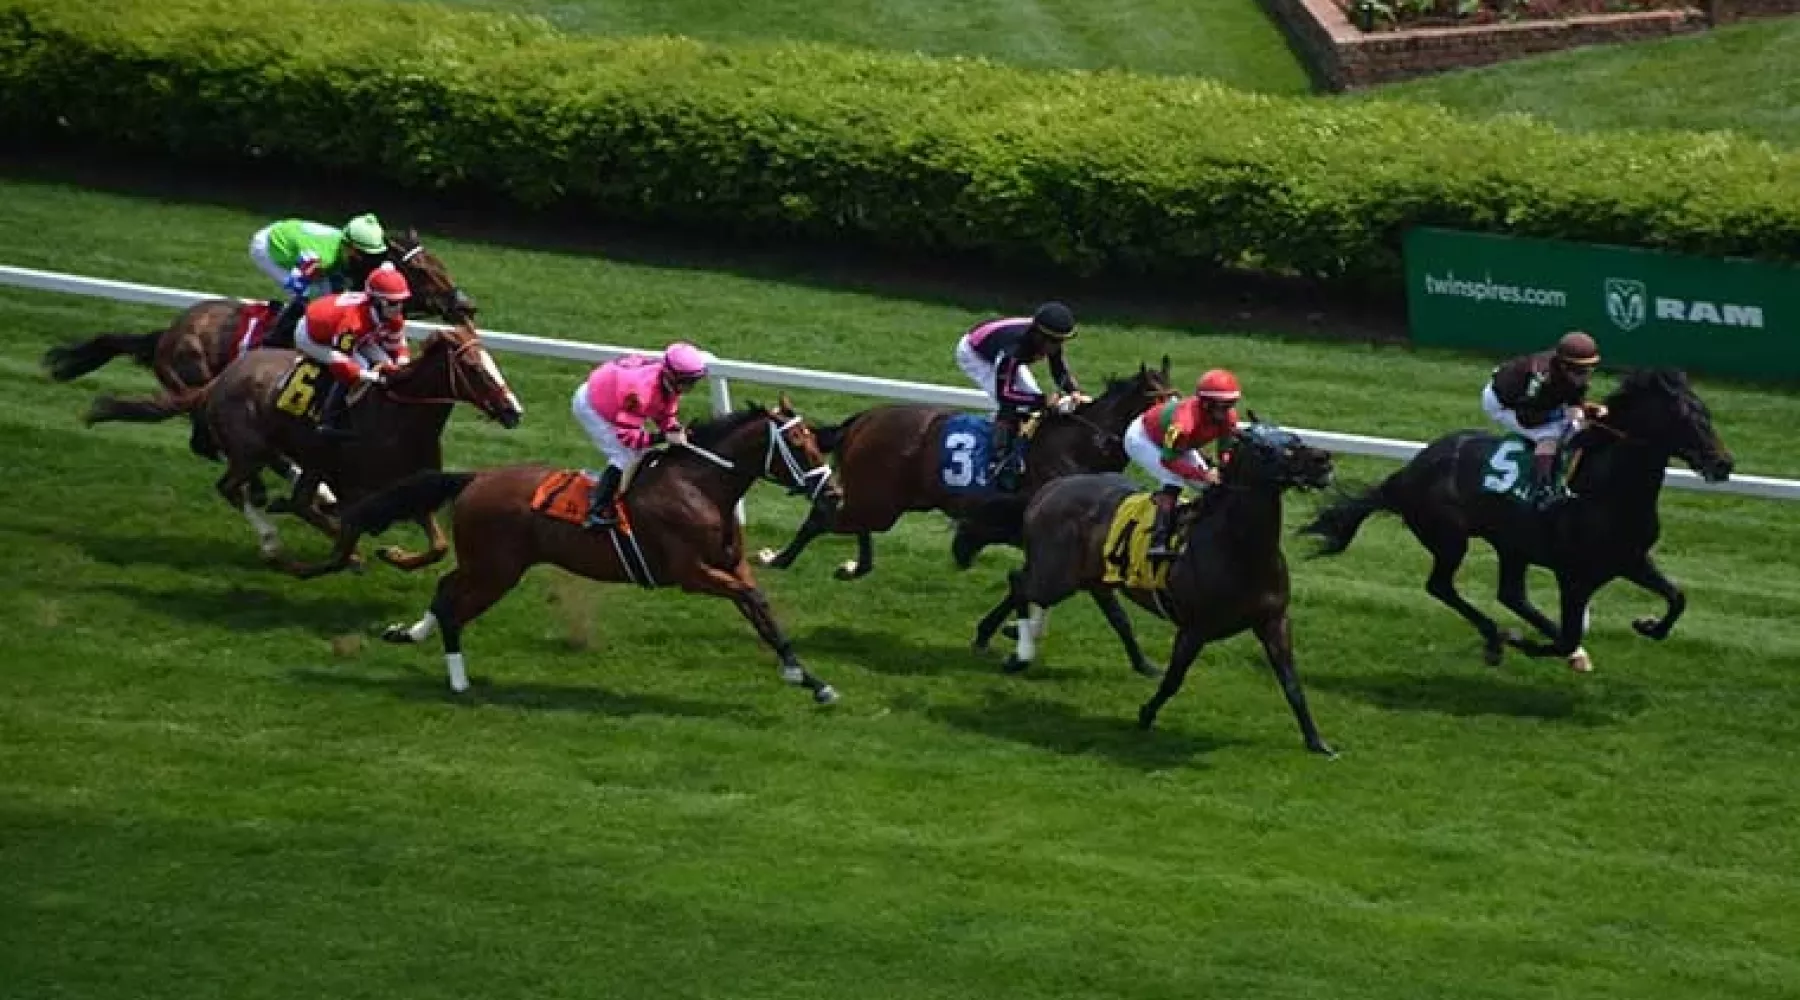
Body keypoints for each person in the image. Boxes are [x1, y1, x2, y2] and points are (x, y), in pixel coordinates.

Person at [571, 342, 710, 528]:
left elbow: (666, 411)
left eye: (693, 382)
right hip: (591, 406)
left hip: (613, 396)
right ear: (671, 375)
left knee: (639, 454)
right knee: (625, 455)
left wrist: (674, 428)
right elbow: (628, 437)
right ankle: (597, 508)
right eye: (687, 382)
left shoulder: (668, 380)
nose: (689, 387)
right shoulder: (640, 392)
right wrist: (663, 438)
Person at [952, 301, 1086, 489]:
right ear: (1039, 336)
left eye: (1061, 341)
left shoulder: (1048, 339)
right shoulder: (1013, 348)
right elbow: (1005, 394)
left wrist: (1075, 392)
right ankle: (998, 461)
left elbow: (1059, 370)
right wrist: (1043, 401)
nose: (1057, 347)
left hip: (1001, 348)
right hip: (976, 354)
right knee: (1015, 405)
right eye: (1053, 341)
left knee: (1034, 398)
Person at [1127, 368, 1243, 559]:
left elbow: (1225, 450)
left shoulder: (1229, 417)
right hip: (1143, 438)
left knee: (1210, 487)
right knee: (1174, 481)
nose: (1224, 413)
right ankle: (1158, 541)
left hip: (1180, 446)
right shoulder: (1183, 423)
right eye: (1220, 407)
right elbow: (1168, 460)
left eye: (1229, 405)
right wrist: (1202, 474)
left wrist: (1224, 468)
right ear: (1206, 404)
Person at [1482, 330, 1605, 509]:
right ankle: (1542, 490)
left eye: (1590, 369)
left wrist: (1584, 408)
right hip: (1503, 403)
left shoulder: (1571, 373)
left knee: (1576, 428)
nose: (1586, 376)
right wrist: (1562, 414)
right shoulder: (1540, 379)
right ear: (1564, 366)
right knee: (1550, 435)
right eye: (1580, 372)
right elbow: (1527, 418)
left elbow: (1574, 397)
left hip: (1537, 403)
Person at [293, 263, 413, 436]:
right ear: (376, 302)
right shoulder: (354, 323)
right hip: (314, 337)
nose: (399, 308)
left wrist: (402, 364)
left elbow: (397, 344)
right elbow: (341, 361)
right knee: (363, 366)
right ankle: (329, 418)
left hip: (356, 335)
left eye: (402, 302)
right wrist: (371, 376)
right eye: (393, 303)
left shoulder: (392, 317)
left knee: (387, 363)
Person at [247, 214, 388, 346]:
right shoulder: (323, 258)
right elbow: (299, 285)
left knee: (332, 294)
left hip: (294, 236)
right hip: (268, 247)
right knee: (310, 297)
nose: (367, 261)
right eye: (363, 255)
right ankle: (275, 339)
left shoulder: (341, 250)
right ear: (348, 247)